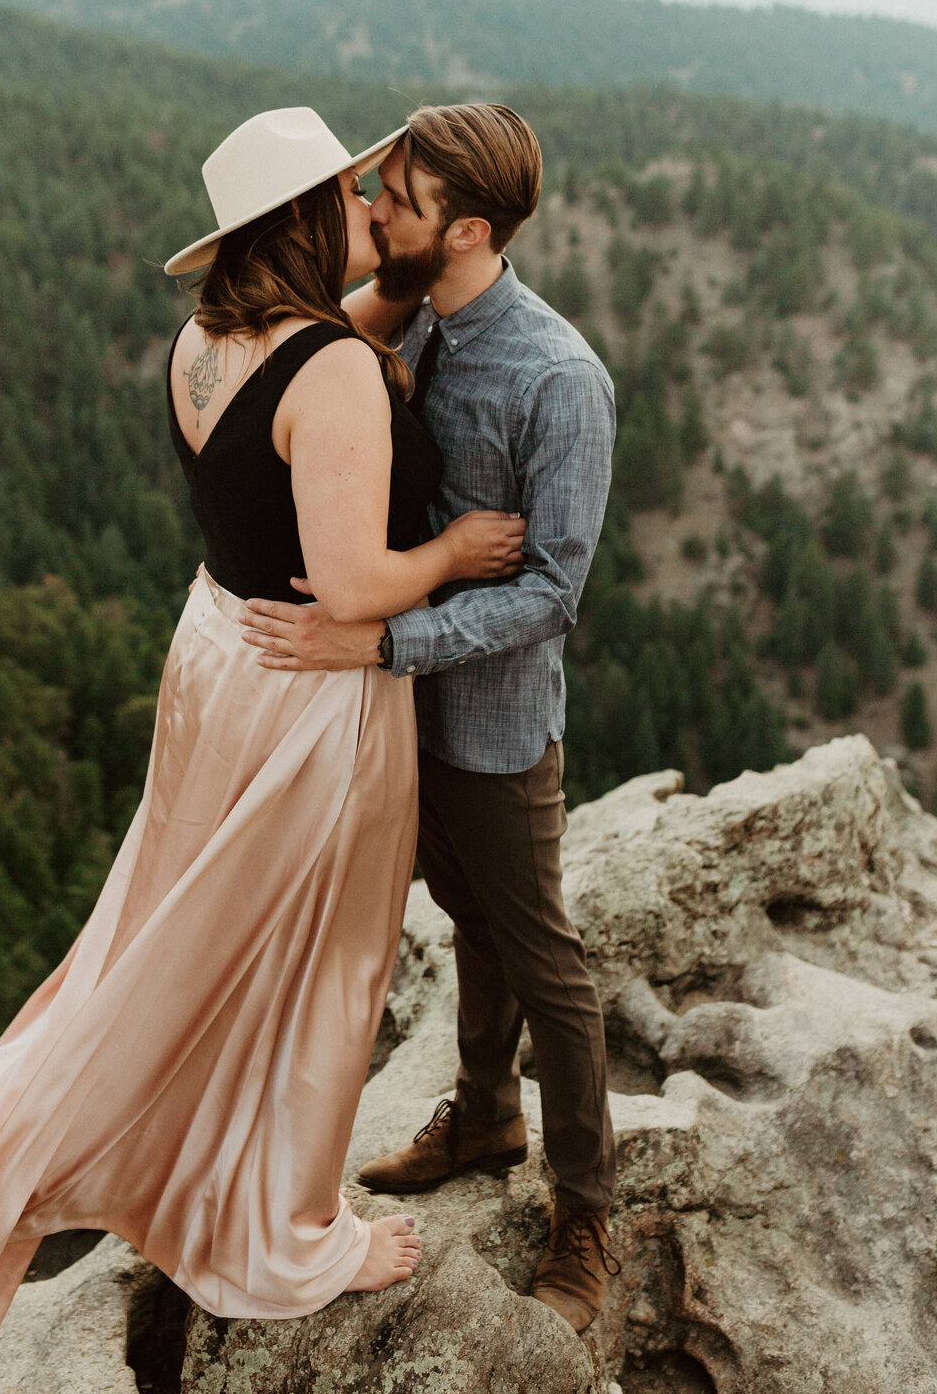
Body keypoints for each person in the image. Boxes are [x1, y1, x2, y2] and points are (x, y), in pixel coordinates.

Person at [0, 106, 525, 1360]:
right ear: (310, 220)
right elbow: (356, 583)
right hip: (307, 689)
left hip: (216, 657)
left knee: (188, 931)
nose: (370, 207)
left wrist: (391, 299)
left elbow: (323, 357)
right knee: (318, 956)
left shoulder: (209, 339)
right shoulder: (329, 374)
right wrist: (458, 550)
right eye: (350, 195)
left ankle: (183, 1169)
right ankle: (283, 1235)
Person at [239, 102, 620, 1335]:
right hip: (399, 719)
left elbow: (555, 594)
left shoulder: (559, 377)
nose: (368, 213)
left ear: (462, 228)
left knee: (549, 969)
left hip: (498, 733)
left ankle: (585, 1222)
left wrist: (390, 635)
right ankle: (483, 1115)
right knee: (470, 924)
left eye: (391, 201)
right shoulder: (416, 328)